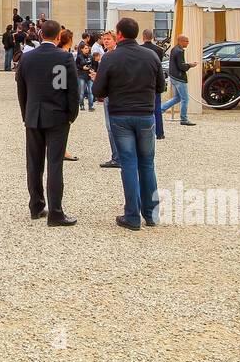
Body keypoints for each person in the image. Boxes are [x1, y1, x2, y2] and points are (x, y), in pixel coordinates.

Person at [93, 18, 166, 231]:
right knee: (147, 164)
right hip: (145, 114)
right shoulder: (151, 55)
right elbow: (160, 86)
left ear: (119, 34)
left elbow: (98, 91)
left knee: (128, 164)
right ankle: (151, 214)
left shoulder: (111, 57)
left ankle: (132, 215)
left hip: (121, 115)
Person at [15, 19, 80, 227]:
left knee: (33, 163)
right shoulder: (65, 57)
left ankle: (36, 206)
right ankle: (56, 212)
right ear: (59, 36)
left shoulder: (27, 57)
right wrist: (72, 114)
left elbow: (21, 88)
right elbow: (71, 89)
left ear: (41, 34)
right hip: (58, 115)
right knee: (55, 163)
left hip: (34, 115)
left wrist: (26, 113)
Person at [159, 34, 196, 126]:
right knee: (185, 99)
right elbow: (181, 66)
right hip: (179, 77)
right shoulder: (179, 51)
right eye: (186, 41)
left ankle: (160, 110)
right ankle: (183, 118)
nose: (188, 43)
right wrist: (190, 65)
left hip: (173, 76)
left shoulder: (174, 49)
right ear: (181, 41)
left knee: (177, 98)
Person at [141, 29, 166, 141]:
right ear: (152, 37)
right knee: (157, 109)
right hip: (155, 81)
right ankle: (159, 132)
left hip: (141, 81)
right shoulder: (159, 50)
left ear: (143, 37)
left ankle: (144, 132)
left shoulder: (140, 49)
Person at [75, 41, 98, 111]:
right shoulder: (79, 57)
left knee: (91, 92)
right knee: (81, 92)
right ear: (81, 49)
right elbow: (76, 66)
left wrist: (93, 70)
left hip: (89, 76)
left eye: (88, 48)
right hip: (81, 76)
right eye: (85, 48)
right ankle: (81, 105)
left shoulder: (91, 56)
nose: (87, 49)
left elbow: (95, 65)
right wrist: (82, 68)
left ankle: (91, 106)